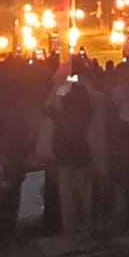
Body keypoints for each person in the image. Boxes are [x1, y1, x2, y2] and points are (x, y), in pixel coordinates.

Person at [51, 81, 95, 240]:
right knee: (84, 197)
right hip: (82, 158)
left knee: (68, 198)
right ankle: (87, 229)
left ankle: (70, 231)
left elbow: (54, 98)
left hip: (65, 159)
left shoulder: (62, 115)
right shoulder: (87, 113)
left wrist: (63, 83)